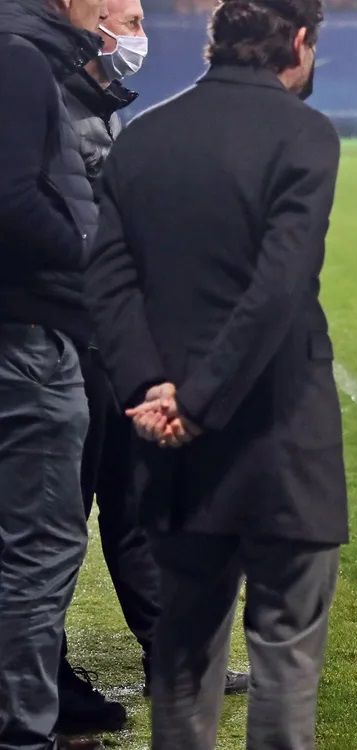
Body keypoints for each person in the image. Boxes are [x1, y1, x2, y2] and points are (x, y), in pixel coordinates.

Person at [84, 0, 343, 745]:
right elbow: (277, 288)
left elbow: (106, 276)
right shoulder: (305, 134)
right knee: (286, 662)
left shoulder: (146, 138)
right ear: (298, 42)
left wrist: (148, 391)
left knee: (182, 662)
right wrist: (198, 400)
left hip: (174, 455)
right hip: (282, 441)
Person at [56, 0, 250, 734]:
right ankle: (44, 674)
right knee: (56, 522)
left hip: (112, 344)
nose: (139, 33)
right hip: (68, 345)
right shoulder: (53, 101)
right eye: (126, 17)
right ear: (82, 18)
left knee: (138, 507)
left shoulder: (104, 103)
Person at [0, 0, 104, 747]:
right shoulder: (17, 59)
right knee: (39, 545)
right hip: (28, 334)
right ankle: (24, 733)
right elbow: (12, 200)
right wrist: (87, 250)